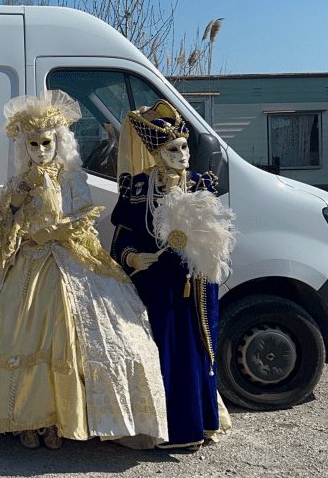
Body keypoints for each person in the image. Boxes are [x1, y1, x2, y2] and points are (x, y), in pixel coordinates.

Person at [0, 90, 168, 450]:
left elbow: (83, 219)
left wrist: (52, 231)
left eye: (47, 143)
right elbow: (1, 226)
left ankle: (57, 419)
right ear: (25, 146)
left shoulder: (72, 180)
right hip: (23, 260)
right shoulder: (17, 183)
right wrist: (17, 208)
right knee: (3, 333)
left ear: (59, 142)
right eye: (34, 144)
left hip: (65, 261)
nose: (41, 150)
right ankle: (23, 419)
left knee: (70, 337)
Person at [109, 99, 235, 450]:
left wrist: (205, 248)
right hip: (154, 287)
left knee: (193, 351)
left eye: (184, 148)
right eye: (173, 149)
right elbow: (121, 240)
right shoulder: (137, 190)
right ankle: (159, 429)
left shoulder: (200, 185)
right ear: (156, 154)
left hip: (193, 285)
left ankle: (197, 424)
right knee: (160, 349)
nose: (182, 155)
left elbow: (217, 234)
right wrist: (134, 258)